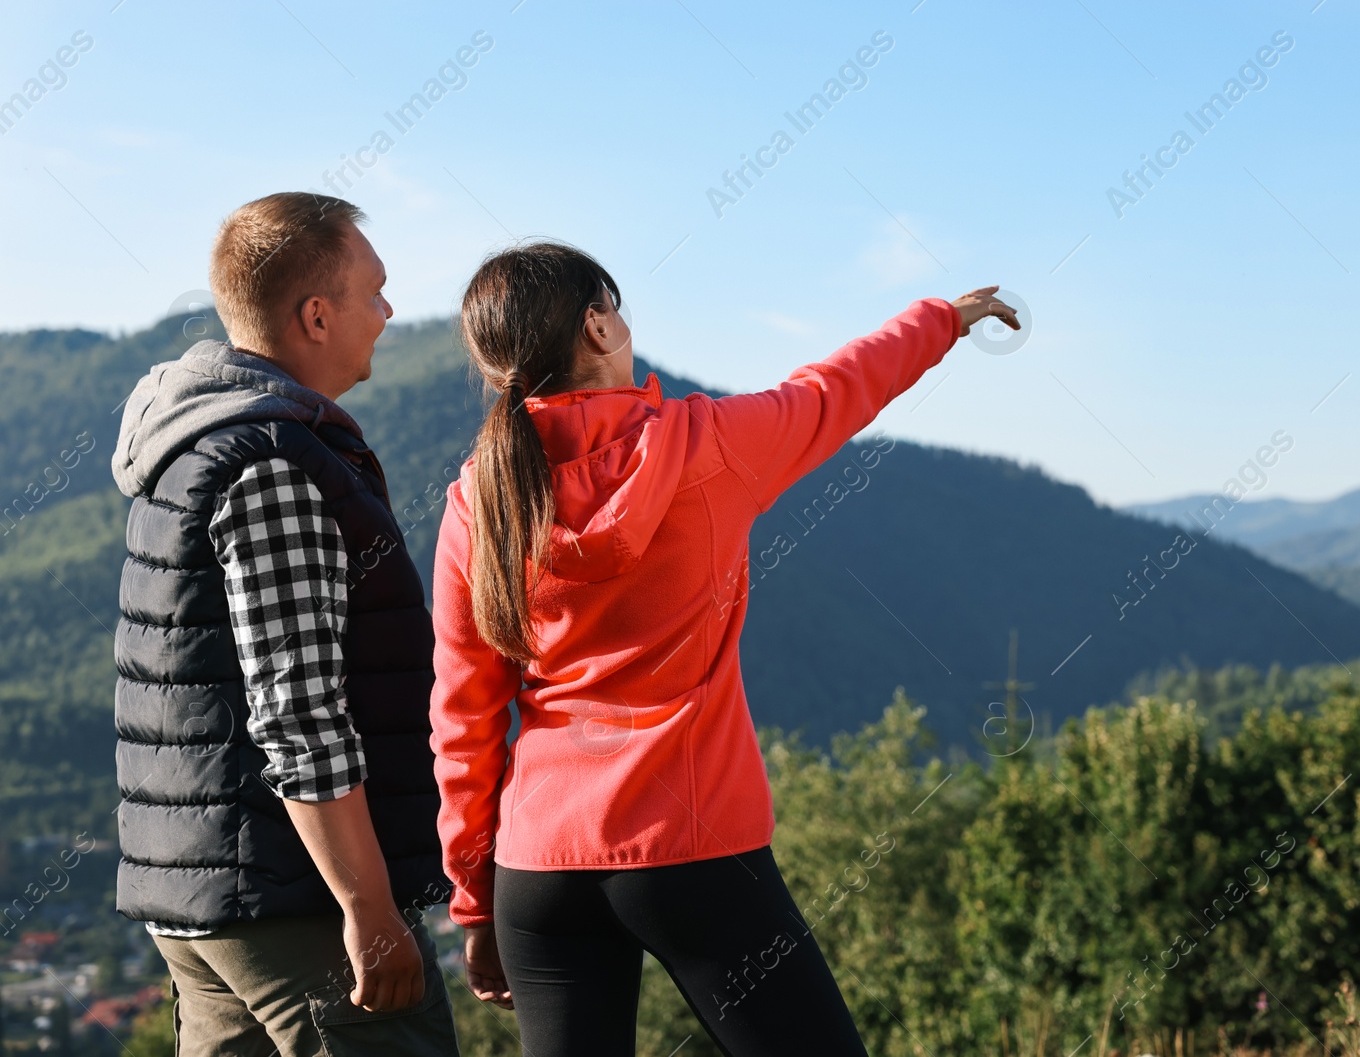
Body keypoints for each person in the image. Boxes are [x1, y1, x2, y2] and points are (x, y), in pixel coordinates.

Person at [427, 240, 1018, 1055]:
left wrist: (476, 899)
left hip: (538, 867)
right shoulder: (708, 444)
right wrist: (942, 319)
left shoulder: (476, 503)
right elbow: (836, 389)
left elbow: (463, 719)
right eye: (617, 309)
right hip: (691, 844)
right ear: (597, 325)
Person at [110, 192, 459, 1056]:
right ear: (315, 313)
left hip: (202, 892)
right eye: (374, 291)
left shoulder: (186, 448)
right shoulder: (270, 464)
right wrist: (368, 907)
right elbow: (298, 711)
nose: (387, 312)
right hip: (292, 902)